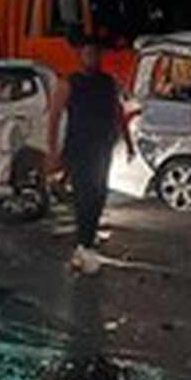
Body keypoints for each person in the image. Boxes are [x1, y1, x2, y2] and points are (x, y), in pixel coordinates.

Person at [46, 36, 133, 275]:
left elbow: (117, 112)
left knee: (99, 195)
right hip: (78, 148)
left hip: (101, 147)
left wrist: (128, 141)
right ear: (80, 57)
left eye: (95, 54)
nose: (92, 58)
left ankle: (86, 242)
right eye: (87, 54)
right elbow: (53, 117)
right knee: (85, 196)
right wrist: (53, 151)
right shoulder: (70, 83)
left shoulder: (107, 82)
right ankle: (83, 245)